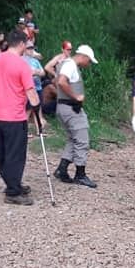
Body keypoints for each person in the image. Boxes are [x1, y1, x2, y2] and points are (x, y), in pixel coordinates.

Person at [0, 30, 40, 205]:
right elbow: (30, 91)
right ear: (22, 44)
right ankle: (13, 192)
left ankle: (12, 183)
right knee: (16, 153)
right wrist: (37, 109)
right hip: (14, 116)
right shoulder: (22, 65)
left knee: (2, 152)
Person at [54, 44, 98, 188]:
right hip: (70, 108)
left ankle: (62, 169)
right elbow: (61, 82)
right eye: (89, 61)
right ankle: (80, 174)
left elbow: (57, 81)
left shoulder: (63, 64)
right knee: (82, 140)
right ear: (83, 57)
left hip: (63, 107)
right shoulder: (70, 65)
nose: (89, 64)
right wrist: (76, 97)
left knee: (73, 139)